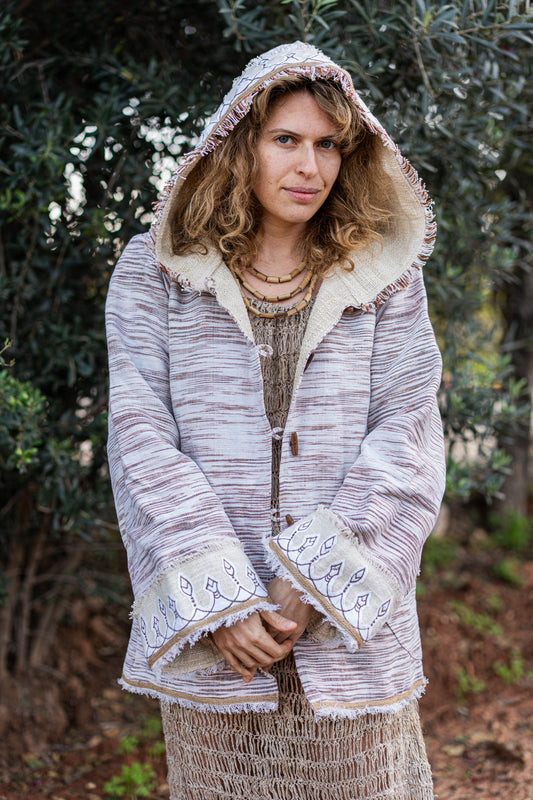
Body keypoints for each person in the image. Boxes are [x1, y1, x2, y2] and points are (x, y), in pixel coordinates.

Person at [106, 41, 446, 800]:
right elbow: (139, 441)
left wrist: (314, 580)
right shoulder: (155, 276)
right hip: (220, 651)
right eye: (285, 140)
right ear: (239, 145)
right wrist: (220, 602)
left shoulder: (385, 280)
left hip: (342, 635)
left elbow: (408, 436)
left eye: (327, 144)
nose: (310, 167)